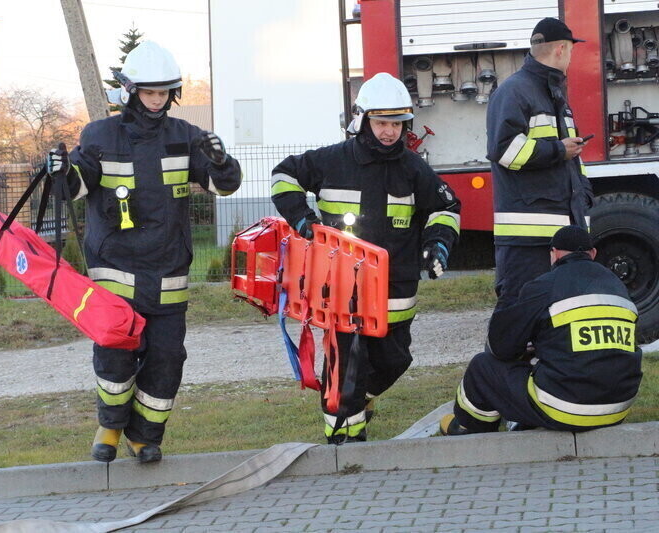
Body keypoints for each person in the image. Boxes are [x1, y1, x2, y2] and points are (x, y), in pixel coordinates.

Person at [47, 41, 241, 463]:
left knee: (168, 358)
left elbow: (222, 186)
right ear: (130, 92)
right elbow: (75, 189)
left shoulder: (186, 137)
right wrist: (60, 170)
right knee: (115, 357)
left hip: (168, 270)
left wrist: (223, 163)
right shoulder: (100, 135)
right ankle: (110, 428)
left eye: (164, 93)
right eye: (149, 93)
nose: (157, 101)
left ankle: (145, 435)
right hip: (114, 268)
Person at [271, 72, 461, 444]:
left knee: (395, 359)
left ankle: (361, 401)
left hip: (396, 286)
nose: (389, 131)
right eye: (381, 122)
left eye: (396, 123)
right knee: (347, 363)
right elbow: (283, 175)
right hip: (341, 284)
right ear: (362, 120)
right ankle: (345, 440)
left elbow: (447, 206)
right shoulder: (331, 160)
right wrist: (300, 218)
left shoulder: (412, 167)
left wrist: (438, 242)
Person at [440, 225, 642, 436]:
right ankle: (527, 422)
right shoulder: (618, 287)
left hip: (567, 408)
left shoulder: (545, 285)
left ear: (553, 254)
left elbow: (501, 347)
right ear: (593, 253)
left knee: (482, 368)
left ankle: (469, 430)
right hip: (618, 407)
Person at [487, 18, 593, 311]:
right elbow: (504, 150)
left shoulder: (554, 93)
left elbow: (574, 158)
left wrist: (585, 197)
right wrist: (558, 150)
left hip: (561, 234)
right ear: (560, 49)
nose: (571, 57)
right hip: (528, 242)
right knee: (519, 315)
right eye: (571, 50)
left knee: (556, 317)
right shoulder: (515, 92)